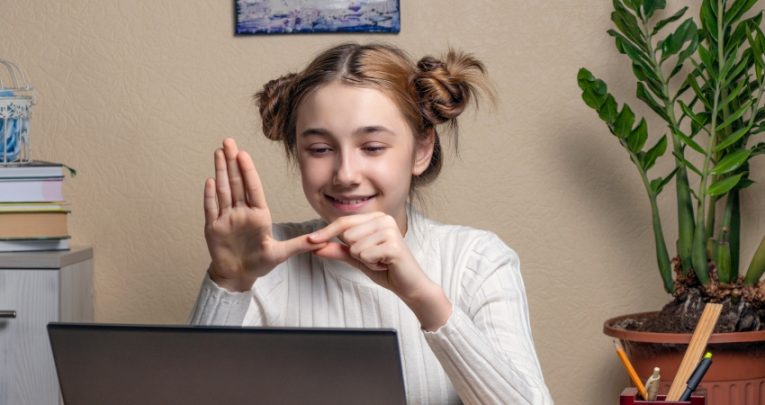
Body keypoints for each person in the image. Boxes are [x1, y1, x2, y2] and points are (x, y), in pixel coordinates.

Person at [189, 42, 553, 405]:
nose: (346, 174)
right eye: (320, 149)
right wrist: (230, 282)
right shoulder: (266, 260)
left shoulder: (478, 261)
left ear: (422, 150)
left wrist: (425, 299)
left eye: (373, 147)